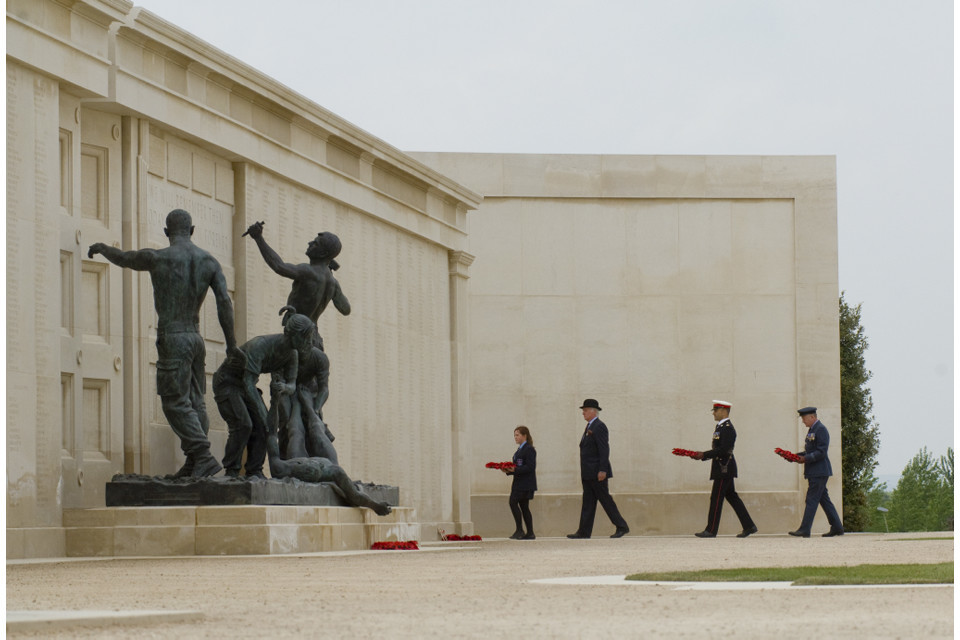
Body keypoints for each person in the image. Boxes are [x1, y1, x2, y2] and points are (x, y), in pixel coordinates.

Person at [88, 209, 243, 478]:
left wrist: (102, 248)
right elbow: (224, 304)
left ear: (165, 232)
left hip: (174, 338)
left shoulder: (158, 257)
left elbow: (125, 259)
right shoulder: (210, 262)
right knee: (196, 402)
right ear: (192, 230)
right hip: (196, 338)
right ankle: (195, 461)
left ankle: (202, 455)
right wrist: (231, 344)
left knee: (174, 402)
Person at [264, 395, 392, 516]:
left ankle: (300, 402)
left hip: (300, 461)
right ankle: (305, 404)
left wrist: (274, 401)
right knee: (309, 431)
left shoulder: (281, 468)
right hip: (327, 461)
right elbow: (354, 495)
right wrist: (375, 506)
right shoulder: (332, 471)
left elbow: (271, 432)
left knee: (302, 431)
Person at [243, 221, 350, 335]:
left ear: (323, 253)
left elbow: (279, 267)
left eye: (315, 243)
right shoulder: (333, 283)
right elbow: (346, 309)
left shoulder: (308, 271)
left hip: (297, 335)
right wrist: (328, 269)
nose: (310, 243)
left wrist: (258, 238)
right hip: (314, 338)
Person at [691, 400, 757, 538]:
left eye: (715, 410)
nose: (714, 413)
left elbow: (723, 450)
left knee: (716, 498)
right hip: (723, 467)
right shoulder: (720, 427)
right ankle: (749, 526)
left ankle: (711, 530)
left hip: (724, 468)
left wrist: (704, 454)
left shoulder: (727, 428)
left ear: (723, 411)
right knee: (732, 497)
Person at [567, 399, 630, 539]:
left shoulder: (599, 426)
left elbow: (604, 449)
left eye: (585, 410)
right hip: (588, 472)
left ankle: (622, 526)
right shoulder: (590, 426)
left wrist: (602, 470)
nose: (583, 413)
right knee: (588, 502)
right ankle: (584, 531)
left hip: (597, 472)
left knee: (605, 500)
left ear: (593, 411)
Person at [789, 407, 845, 537]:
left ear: (812, 417)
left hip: (819, 471)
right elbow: (810, 451)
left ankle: (805, 529)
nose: (803, 421)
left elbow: (821, 452)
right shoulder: (813, 430)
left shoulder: (820, 429)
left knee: (811, 499)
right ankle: (837, 527)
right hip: (816, 471)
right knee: (824, 499)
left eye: (804, 418)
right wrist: (795, 456)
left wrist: (805, 458)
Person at [502, 426, 537, 540]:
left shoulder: (529, 449)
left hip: (525, 484)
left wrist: (515, 470)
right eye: (514, 435)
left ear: (524, 435)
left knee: (513, 502)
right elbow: (517, 466)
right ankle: (530, 532)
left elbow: (530, 467)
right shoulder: (519, 450)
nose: (515, 437)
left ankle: (520, 530)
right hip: (519, 482)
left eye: (517, 435)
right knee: (524, 506)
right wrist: (508, 470)